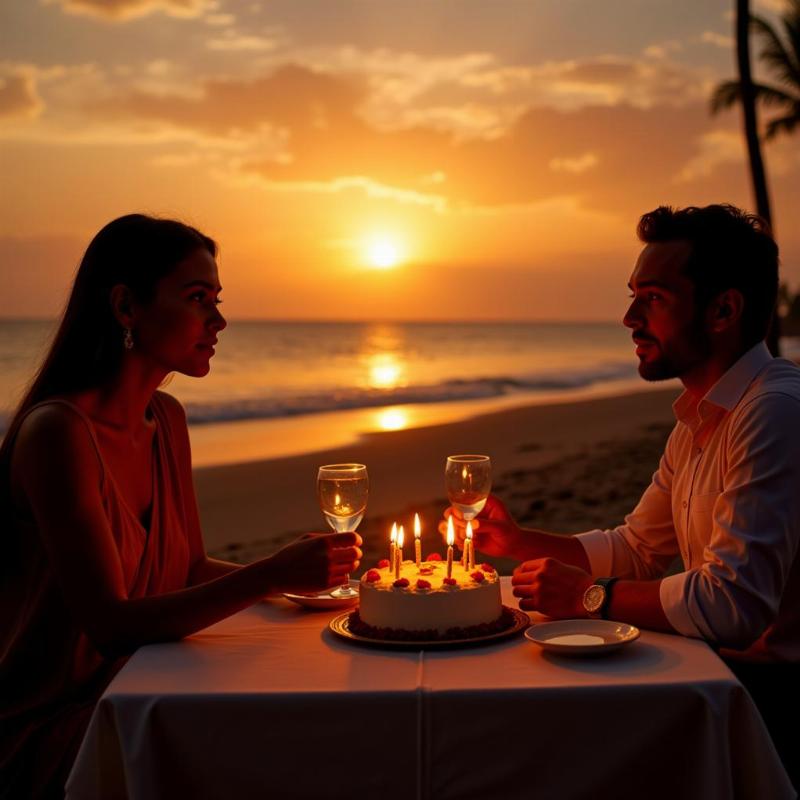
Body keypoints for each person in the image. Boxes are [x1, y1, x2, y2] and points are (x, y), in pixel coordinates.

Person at [0, 214, 362, 799]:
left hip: (148, 686)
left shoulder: (166, 420)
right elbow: (111, 625)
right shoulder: (58, 434)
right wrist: (272, 573)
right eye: (198, 299)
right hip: (62, 729)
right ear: (125, 307)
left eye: (217, 300)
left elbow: (189, 568)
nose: (218, 321)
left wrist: (303, 586)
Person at [443, 204, 800, 785]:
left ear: (723, 310)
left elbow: (733, 607)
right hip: (719, 675)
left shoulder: (774, 414)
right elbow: (637, 548)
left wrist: (589, 597)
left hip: (766, 704)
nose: (629, 317)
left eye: (653, 298)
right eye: (633, 295)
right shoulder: (700, 418)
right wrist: (516, 540)